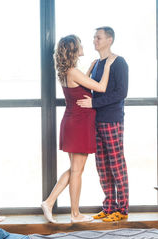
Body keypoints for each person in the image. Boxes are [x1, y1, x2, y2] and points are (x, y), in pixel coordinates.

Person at [41, 35, 116, 223]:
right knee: (76, 171)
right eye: (80, 44)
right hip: (79, 125)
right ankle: (74, 214)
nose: (84, 45)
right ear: (74, 49)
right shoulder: (73, 72)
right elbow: (101, 87)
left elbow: (82, 83)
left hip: (72, 123)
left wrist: (90, 69)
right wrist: (107, 66)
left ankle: (50, 202)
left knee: (75, 169)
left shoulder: (69, 71)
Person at [77, 26, 129, 222]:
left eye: (98, 37)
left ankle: (122, 210)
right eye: (93, 38)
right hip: (95, 121)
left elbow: (121, 93)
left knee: (117, 165)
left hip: (112, 120)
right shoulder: (97, 64)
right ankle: (108, 207)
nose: (94, 41)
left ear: (110, 40)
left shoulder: (119, 62)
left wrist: (94, 103)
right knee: (102, 166)